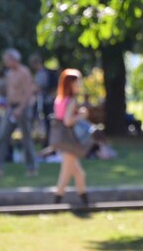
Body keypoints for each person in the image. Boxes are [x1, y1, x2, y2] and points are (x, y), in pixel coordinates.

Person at [0, 48, 37, 177]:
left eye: (6, 60)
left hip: (23, 108)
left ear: (13, 60)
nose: (5, 62)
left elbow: (28, 92)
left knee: (26, 138)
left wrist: (20, 108)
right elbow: (9, 92)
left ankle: (31, 168)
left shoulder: (24, 72)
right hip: (10, 108)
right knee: (2, 136)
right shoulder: (10, 73)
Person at [53, 68, 89, 206]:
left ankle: (85, 201)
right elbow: (68, 121)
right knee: (66, 174)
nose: (79, 85)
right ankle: (56, 202)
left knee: (79, 173)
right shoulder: (71, 101)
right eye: (77, 82)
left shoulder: (59, 100)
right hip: (70, 140)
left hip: (61, 139)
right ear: (70, 84)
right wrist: (81, 114)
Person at [29, 54, 57, 148]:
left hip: (46, 102)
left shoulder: (41, 73)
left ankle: (49, 144)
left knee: (48, 123)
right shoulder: (44, 72)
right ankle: (48, 143)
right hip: (47, 101)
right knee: (47, 123)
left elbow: (37, 88)